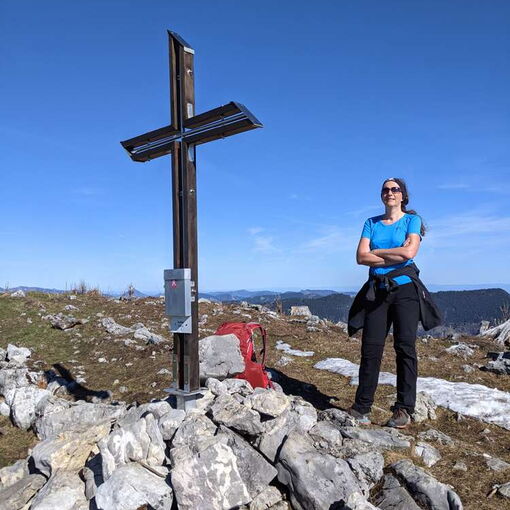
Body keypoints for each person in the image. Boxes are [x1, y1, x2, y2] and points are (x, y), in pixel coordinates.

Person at [347, 177, 440, 428]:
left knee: (405, 347)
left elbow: (409, 253)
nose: (390, 192)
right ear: (382, 195)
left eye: (395, 189)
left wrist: (376, 253)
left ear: (403, 195)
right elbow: (360, 257)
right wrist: (393, 254)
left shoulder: (412, 220)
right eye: (386, 189)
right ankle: (362, 407)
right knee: (371, 349)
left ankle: (404, 409)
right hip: (377, 290)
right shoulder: (371, 222)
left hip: (405, 291)